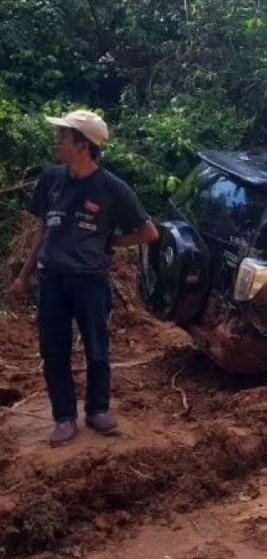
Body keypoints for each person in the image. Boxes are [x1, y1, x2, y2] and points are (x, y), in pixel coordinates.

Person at [5, 110, 159, 447]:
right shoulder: (51, 179)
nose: (57, 141)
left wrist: (112, 243)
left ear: (83, 145)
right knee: (54, 349)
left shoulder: (112, 188)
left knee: (96, 348)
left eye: (64, 136)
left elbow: (148, 231)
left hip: (90, 281)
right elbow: (42, 230)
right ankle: (64, 417)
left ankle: (97, 410)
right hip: (52, 280)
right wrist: (24, 276)